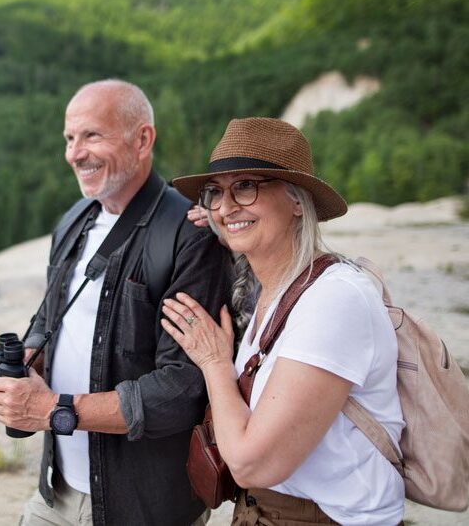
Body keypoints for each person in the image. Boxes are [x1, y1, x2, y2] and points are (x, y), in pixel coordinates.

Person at [0, 79, 232, 526]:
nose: (75, 153)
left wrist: (53, 409)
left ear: (142, 139)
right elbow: (49, 318)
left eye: (92, 135)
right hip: (56, 493)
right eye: (69, 138)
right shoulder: (73, 220)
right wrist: (22, 365)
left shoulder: (188, 234)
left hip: (145, 508)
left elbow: (182, 389)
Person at [163, 117, 405, 525]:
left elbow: (251, 466)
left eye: (246, 186)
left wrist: (215, 364)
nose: (225, 205)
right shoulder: (273, 293)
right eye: (214, 193)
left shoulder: (333, 299)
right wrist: (231, 222)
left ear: (297, 200)